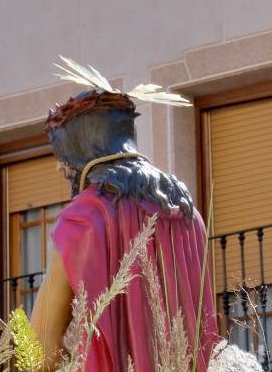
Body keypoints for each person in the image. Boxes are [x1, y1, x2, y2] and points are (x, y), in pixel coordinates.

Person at [30, 61, 219, 372]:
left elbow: (39, 351)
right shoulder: (188, 214)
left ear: (78, 156)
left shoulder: (81, 220)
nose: (59, 168)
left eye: (63, 161)